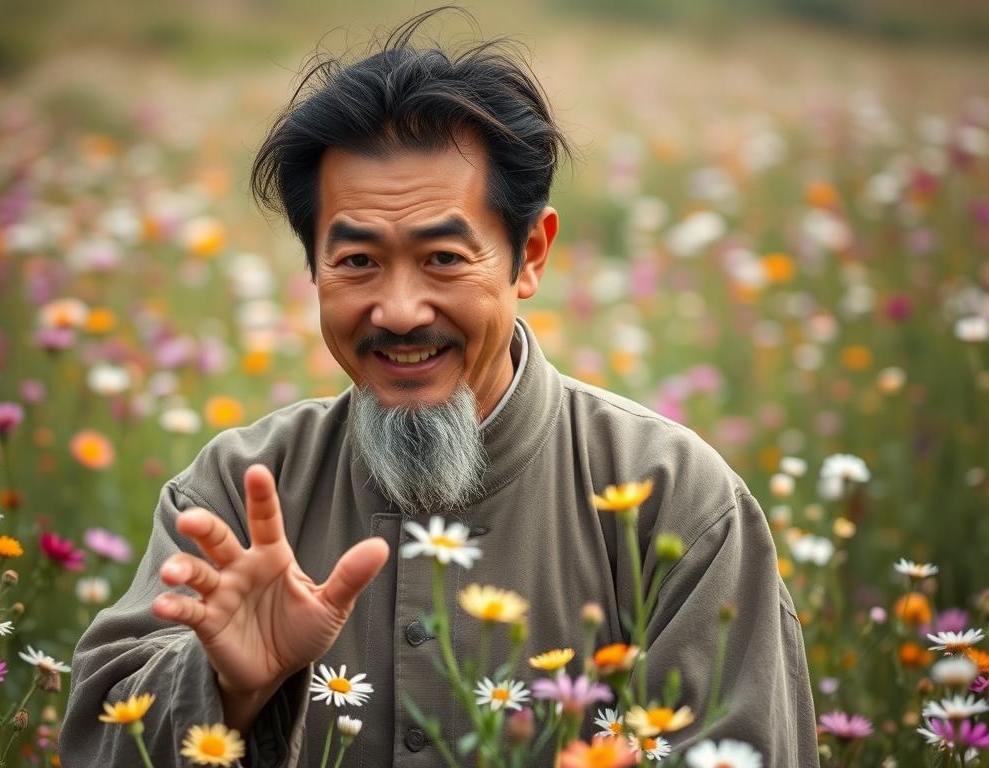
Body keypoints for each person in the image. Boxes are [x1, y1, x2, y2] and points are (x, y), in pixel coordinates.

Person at [60, 9, 818, 767]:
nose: (397, 311)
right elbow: (95, 739)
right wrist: (227, 688)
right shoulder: (235, 493)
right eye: (357, 261)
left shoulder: (673, 501)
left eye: (445, 258)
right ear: (313, 269)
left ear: (530, 255)